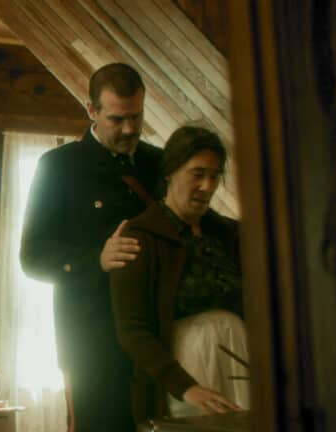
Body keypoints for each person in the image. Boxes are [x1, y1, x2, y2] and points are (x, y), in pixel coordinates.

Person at [20, 63, 162, 431]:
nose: (130, 129)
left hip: (154, 339)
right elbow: (32, 257)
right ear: (92, 111)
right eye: (117, 119)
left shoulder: (159, 164)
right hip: (92, 343)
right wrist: (95, 260)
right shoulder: (58, 167)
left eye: (137, 117)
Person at [110, 126, 247, 427]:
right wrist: (186, 387)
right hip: (181, 373)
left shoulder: (232, 234)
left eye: (215, 176)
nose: (207, 185)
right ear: (171, 172)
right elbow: (131, 330)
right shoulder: (140, 236)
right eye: (197, 174)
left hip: (241, 363)